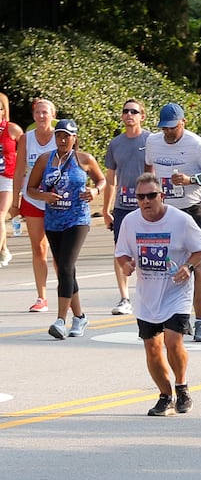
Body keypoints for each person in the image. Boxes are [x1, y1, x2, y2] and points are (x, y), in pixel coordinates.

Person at [113, 173, 201, 416]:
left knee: (173, 342)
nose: (146, 201)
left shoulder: (180, 220)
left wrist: (188, 267)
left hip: (176, 292)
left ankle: (182, 387)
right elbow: (121, 254)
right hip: (147, 295)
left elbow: (200, 248)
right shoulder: (130, 222)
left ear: (161, 196)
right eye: (141, 197)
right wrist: (126, 265)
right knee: (152, 348)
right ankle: (165, 396)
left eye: (151, 196)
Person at [145, 102, 201, 342]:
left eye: (173, 128)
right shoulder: (153, 142)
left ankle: (200, 321)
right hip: (166, 212)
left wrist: (191, 179)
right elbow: (149, 169)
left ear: (183, 123)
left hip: (193, 210)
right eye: (164, 128)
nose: (168, 132)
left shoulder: (196, 144)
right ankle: (173, 316)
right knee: (165, 265)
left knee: (194, 265)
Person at [29, 118, 105, 339]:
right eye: (59, 135)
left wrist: (95, 192)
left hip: (77, 219)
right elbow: (31, 189)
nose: (62, 139)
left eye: (67, 136)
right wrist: (44, 196)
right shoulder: (45, 160)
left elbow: (101, 180)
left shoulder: (84, 159)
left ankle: (61, 320)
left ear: (74, 138)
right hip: (53, 220)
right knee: (67, 270)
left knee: (64, 266)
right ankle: (80, 317)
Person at [100, 99, 152, 318]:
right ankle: (124, 297)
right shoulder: (116, 144)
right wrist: (106, 209)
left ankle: (148, 295)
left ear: (142, 116)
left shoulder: (151, 140)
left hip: (148, 204)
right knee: (120, 251)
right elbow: (110, 179)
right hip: (123, 206)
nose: (129, 114)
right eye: (125, 111)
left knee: (147, 250)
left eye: (134, 111)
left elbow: (156, 171)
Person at [12, 97, 58, 312]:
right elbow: (19, 170)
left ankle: (66, 291)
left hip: (56, 200)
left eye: (45, 112)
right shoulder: (26, 138)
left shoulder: (61, 137)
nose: (41, 116)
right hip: (31, 199)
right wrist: (15, 202)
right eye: (38, 112)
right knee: (38, 248)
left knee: (58, 250)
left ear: (52, 115)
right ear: (33, 116)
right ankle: (42, 297)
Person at [0, 93, 16, 269]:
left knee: (0, 215)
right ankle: (3, 249)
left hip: (7, 178)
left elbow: (25, 147)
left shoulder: (11, 129)